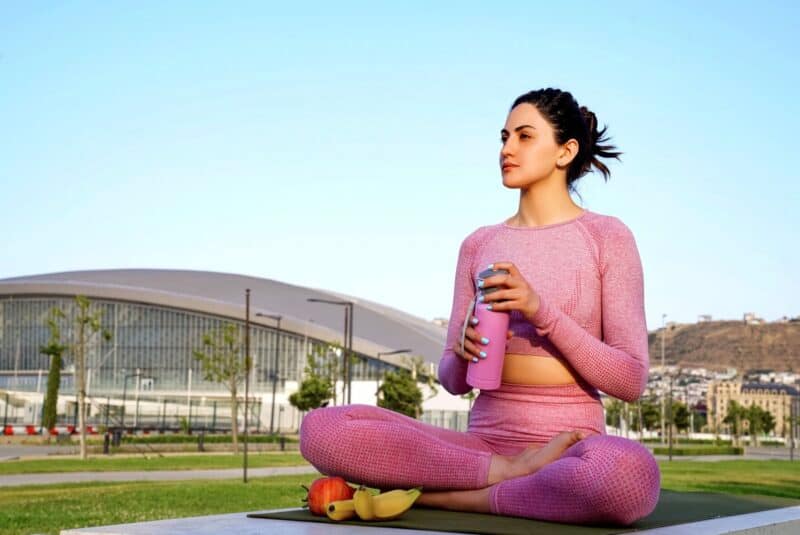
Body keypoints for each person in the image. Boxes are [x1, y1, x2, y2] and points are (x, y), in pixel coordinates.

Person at [299, 88, 660, 525]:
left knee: (626, 477)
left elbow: (630, 380)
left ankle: (451, 497)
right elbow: (451, 380)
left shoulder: (607, 238)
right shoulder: (478, 244)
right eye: (504, 137)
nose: (507, 149)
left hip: (571, 448)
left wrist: (540, 310)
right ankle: (505, 477)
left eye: (525, 137)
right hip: (483, 449)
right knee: (322, 431)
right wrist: (464, 354)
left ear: (566, 151)